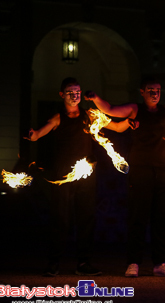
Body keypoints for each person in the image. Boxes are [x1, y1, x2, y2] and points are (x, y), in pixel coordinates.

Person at [85, 77, 165, 277]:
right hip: (141, 170)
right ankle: (133, 263)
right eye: (150, 89)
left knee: (162, 218)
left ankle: (160, 263)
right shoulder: (135, 109)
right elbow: (110, 109)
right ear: (142, 92)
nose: (154, 93)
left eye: (157, 90)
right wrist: (96, 98)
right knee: (138, 217)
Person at [27, 77, 131, 277]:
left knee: (86, 218)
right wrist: (33, 134)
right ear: (62, 95)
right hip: (63, 175)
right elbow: (39, 134)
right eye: (70, 92)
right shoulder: (58, 117)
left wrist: (131, 121)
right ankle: (54, 262)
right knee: (60, 218)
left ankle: (83, 263)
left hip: (86, 175)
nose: (74, 95)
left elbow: (117, 127)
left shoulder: (90, 115)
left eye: (77, 92)